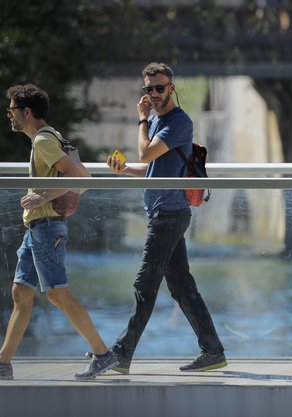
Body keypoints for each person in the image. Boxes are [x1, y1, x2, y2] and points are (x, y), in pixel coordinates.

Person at [106, 63, 227, 373]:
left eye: (160, 88)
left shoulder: (178, 122)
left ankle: (121, 353)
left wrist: (141, 119)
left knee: (144, 285)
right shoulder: (160, 122)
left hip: (169, 215)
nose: (154, 94)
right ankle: (213, 351)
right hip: (164, 213)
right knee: (182, 288)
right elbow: (149, 168)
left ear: (172, 88)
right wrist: (124, 169)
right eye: (149, 89)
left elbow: (145, 154)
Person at [0, 84, 118, 380]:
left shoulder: (42, 141)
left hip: (46, 226)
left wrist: (42, 197)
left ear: (26, 112)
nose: (8, 115)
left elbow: (79, 176)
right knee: (21, 292)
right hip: (36, 228)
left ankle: (103, 355)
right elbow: (82, 177)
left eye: (11, 110)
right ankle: (3, 363)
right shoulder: (49, 137)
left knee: (57, 294)